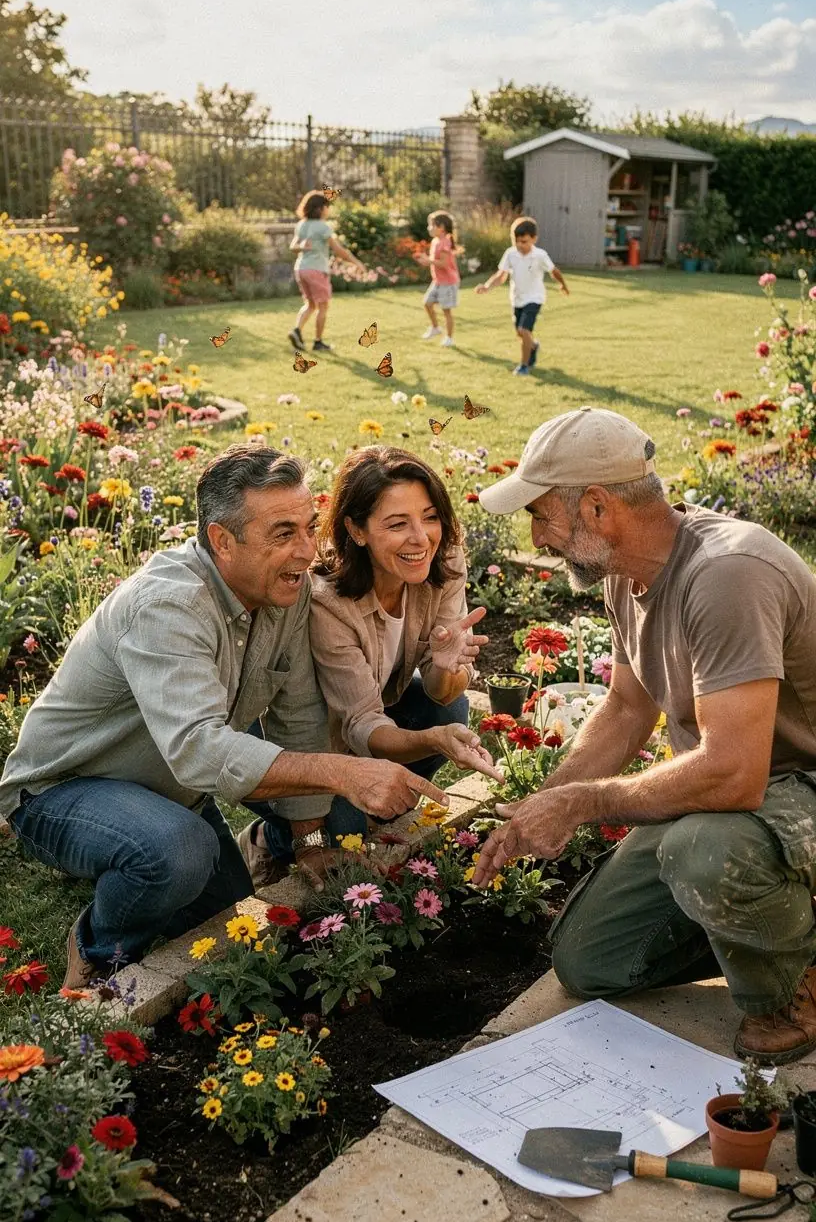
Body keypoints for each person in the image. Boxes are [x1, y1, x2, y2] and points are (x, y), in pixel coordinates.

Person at [0, 444, 447, 987]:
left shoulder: (287, 590)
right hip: (65, 789)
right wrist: (345, 771)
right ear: (221, 541)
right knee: (177, 852)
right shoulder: (169, 605)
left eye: (309, 527)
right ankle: (99, 957)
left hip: (170, 795)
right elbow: (199, 747)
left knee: (240, 923)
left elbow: (299, 715)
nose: (307, 552)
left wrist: (310, 844)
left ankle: (172, 856)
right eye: (283, 534)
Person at [474, 405, 816, 1066]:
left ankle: (792, 993)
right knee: (591, 961)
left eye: (540, 514)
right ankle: (775, 915)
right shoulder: (628, 575)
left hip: (794, 786)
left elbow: (733, 772)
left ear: (598, 508)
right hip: (744, 799)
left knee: (704, 853)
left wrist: (588, 803)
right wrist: (541, 806)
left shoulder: (726, 575)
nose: (538, 535)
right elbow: (628, 709)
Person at [306, 446, 502, 828]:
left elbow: (443, 692)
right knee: (347, 828)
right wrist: (433, 740)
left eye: (430, 517)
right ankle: (272, 837)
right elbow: (362, 723)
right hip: (318, 742)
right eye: (397, 524)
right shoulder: (328, 602)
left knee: (449, 708)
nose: (421, 538)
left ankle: (387, 805)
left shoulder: (442, 561)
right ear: (356, 530)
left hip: (377, 714)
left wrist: (446, 667)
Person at [475, 215, 568, 376]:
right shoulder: (510, 254)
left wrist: (563, 284)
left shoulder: (540, 255)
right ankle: (533, 345)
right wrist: (487, 286)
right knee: (520, 333)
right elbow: (501, 275)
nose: (519, 245)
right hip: (517, 299)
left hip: (535, 298)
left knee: (524, 330)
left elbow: (554, 271)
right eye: (516, 241)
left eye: (524, 241)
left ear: (534, 239)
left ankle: (524, 365)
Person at [288, 190, 364, 354]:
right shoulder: (323, 227)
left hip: (301, 269)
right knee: (323, 306)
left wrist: (302, 247)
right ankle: (318, 342)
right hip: (316, 270)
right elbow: (339, 251)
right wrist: (357, 263)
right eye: (327, 207)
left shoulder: (302, 224)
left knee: (310, 304)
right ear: (320, 208)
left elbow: (293, 246)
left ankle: (296, 331)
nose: (328, 210)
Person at [418, 210, 462, 348]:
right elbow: (436, 261)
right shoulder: (436, 241)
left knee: (446, 310)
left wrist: (428, 260)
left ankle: (449, 338)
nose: (428, 228)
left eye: (431, 225)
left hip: (448, 283)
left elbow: (443, 263)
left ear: (441, 227)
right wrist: (428, 261)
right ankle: (435, 328)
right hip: (437, 281)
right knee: (427, 303)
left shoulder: (445, 242)